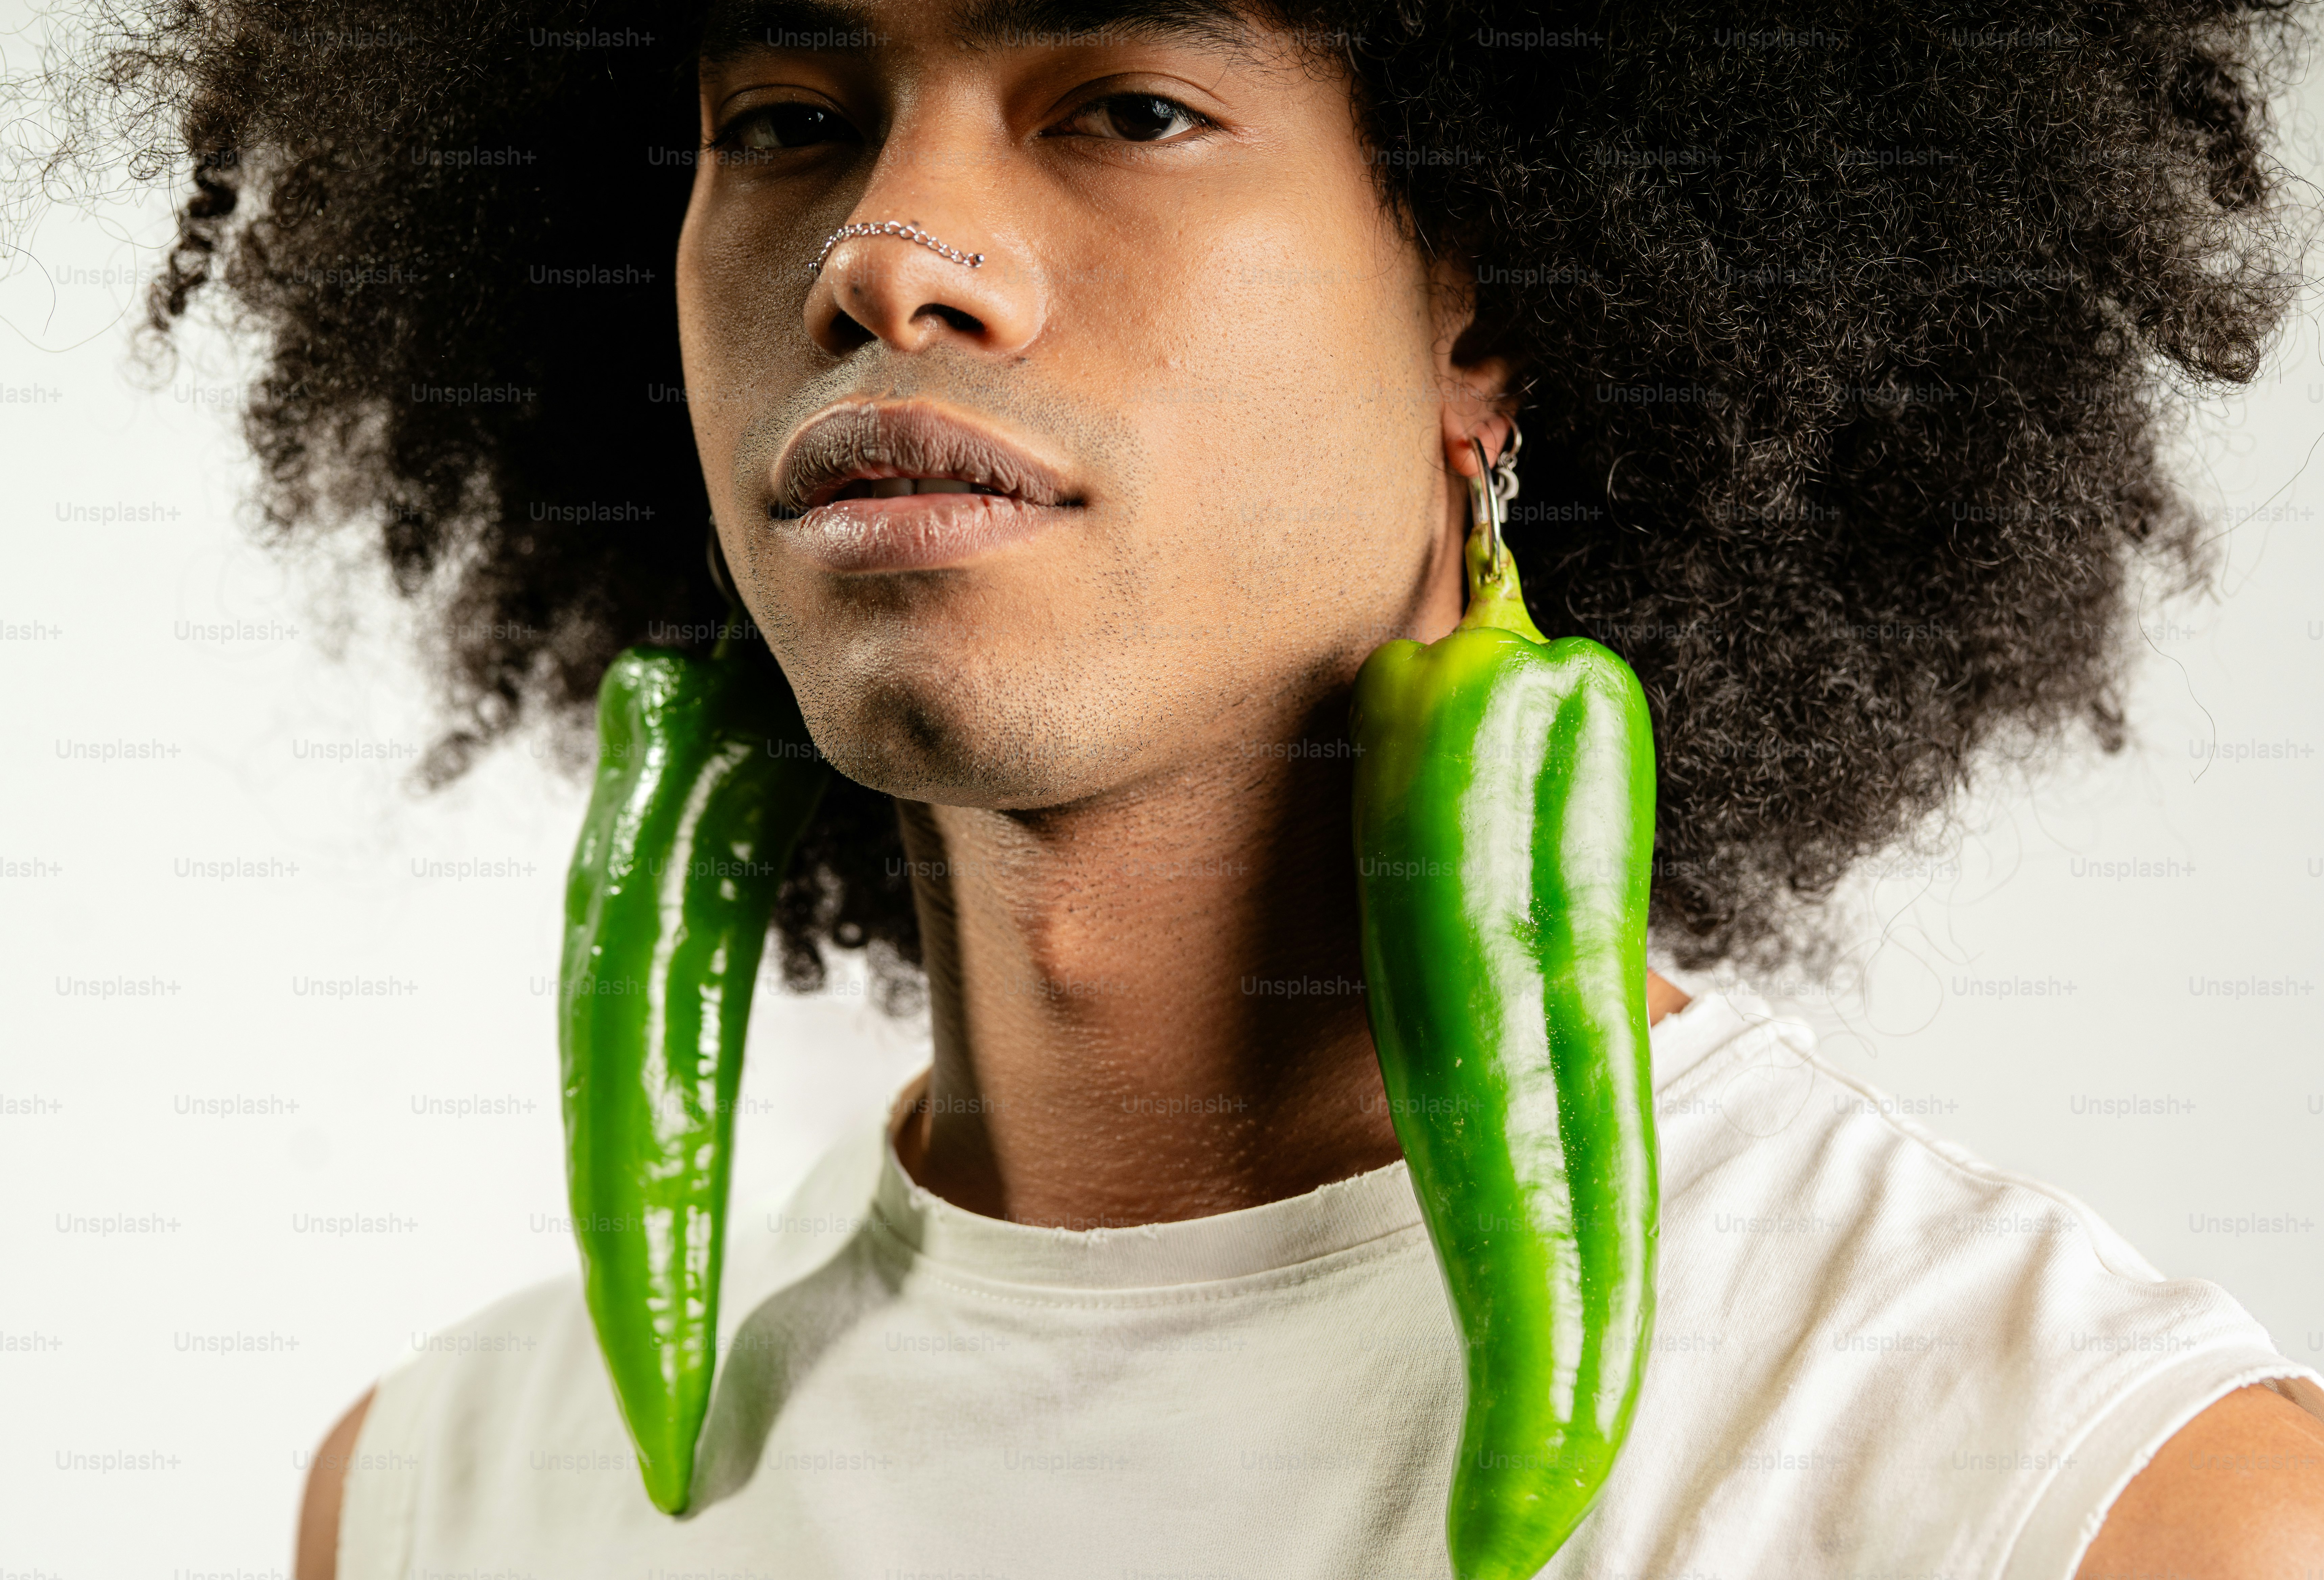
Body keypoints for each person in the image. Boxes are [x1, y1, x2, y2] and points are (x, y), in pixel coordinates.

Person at [56, 0, 2324, 1574]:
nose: (884, 256)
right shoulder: (435, 1509)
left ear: (1484, 307)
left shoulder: (2089, 1509)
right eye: (784, 117)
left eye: (1125, 102)